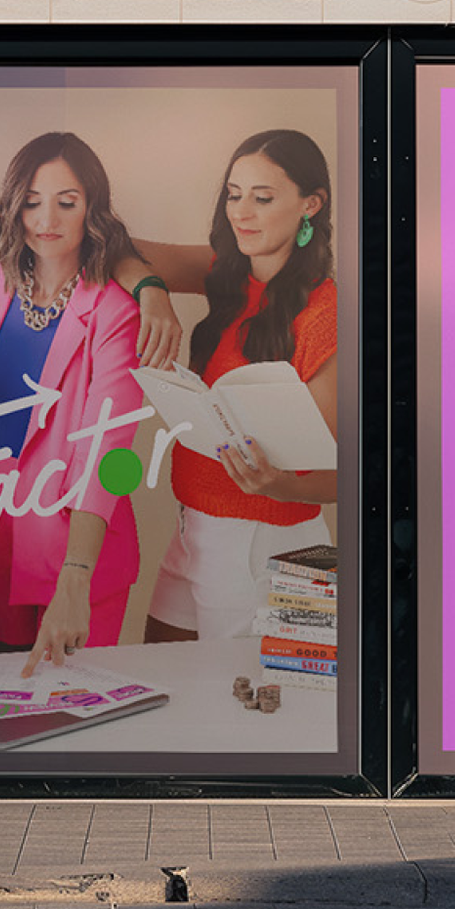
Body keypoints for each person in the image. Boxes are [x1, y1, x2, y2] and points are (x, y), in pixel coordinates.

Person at [125, 129, 340, 641]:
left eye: (262, 198)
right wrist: (152, 293)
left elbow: (348, 474)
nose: (240, 213)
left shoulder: (326, 317)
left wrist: (280, 485)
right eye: (233, 194)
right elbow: (115, 249)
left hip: (264, 542)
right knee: (167, 677)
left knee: (237, 707)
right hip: (197, 525)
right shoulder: (229, 273)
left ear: (311, 204)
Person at [0, 132, 147, 675]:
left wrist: (76, 576)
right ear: (13, 204)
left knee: (74, 715)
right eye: (32, 201)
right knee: (6, 703)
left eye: (67, 202)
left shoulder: (115, 311)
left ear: (92, 209)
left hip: (79, 546)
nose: (47, 218)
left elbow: (109, 454)